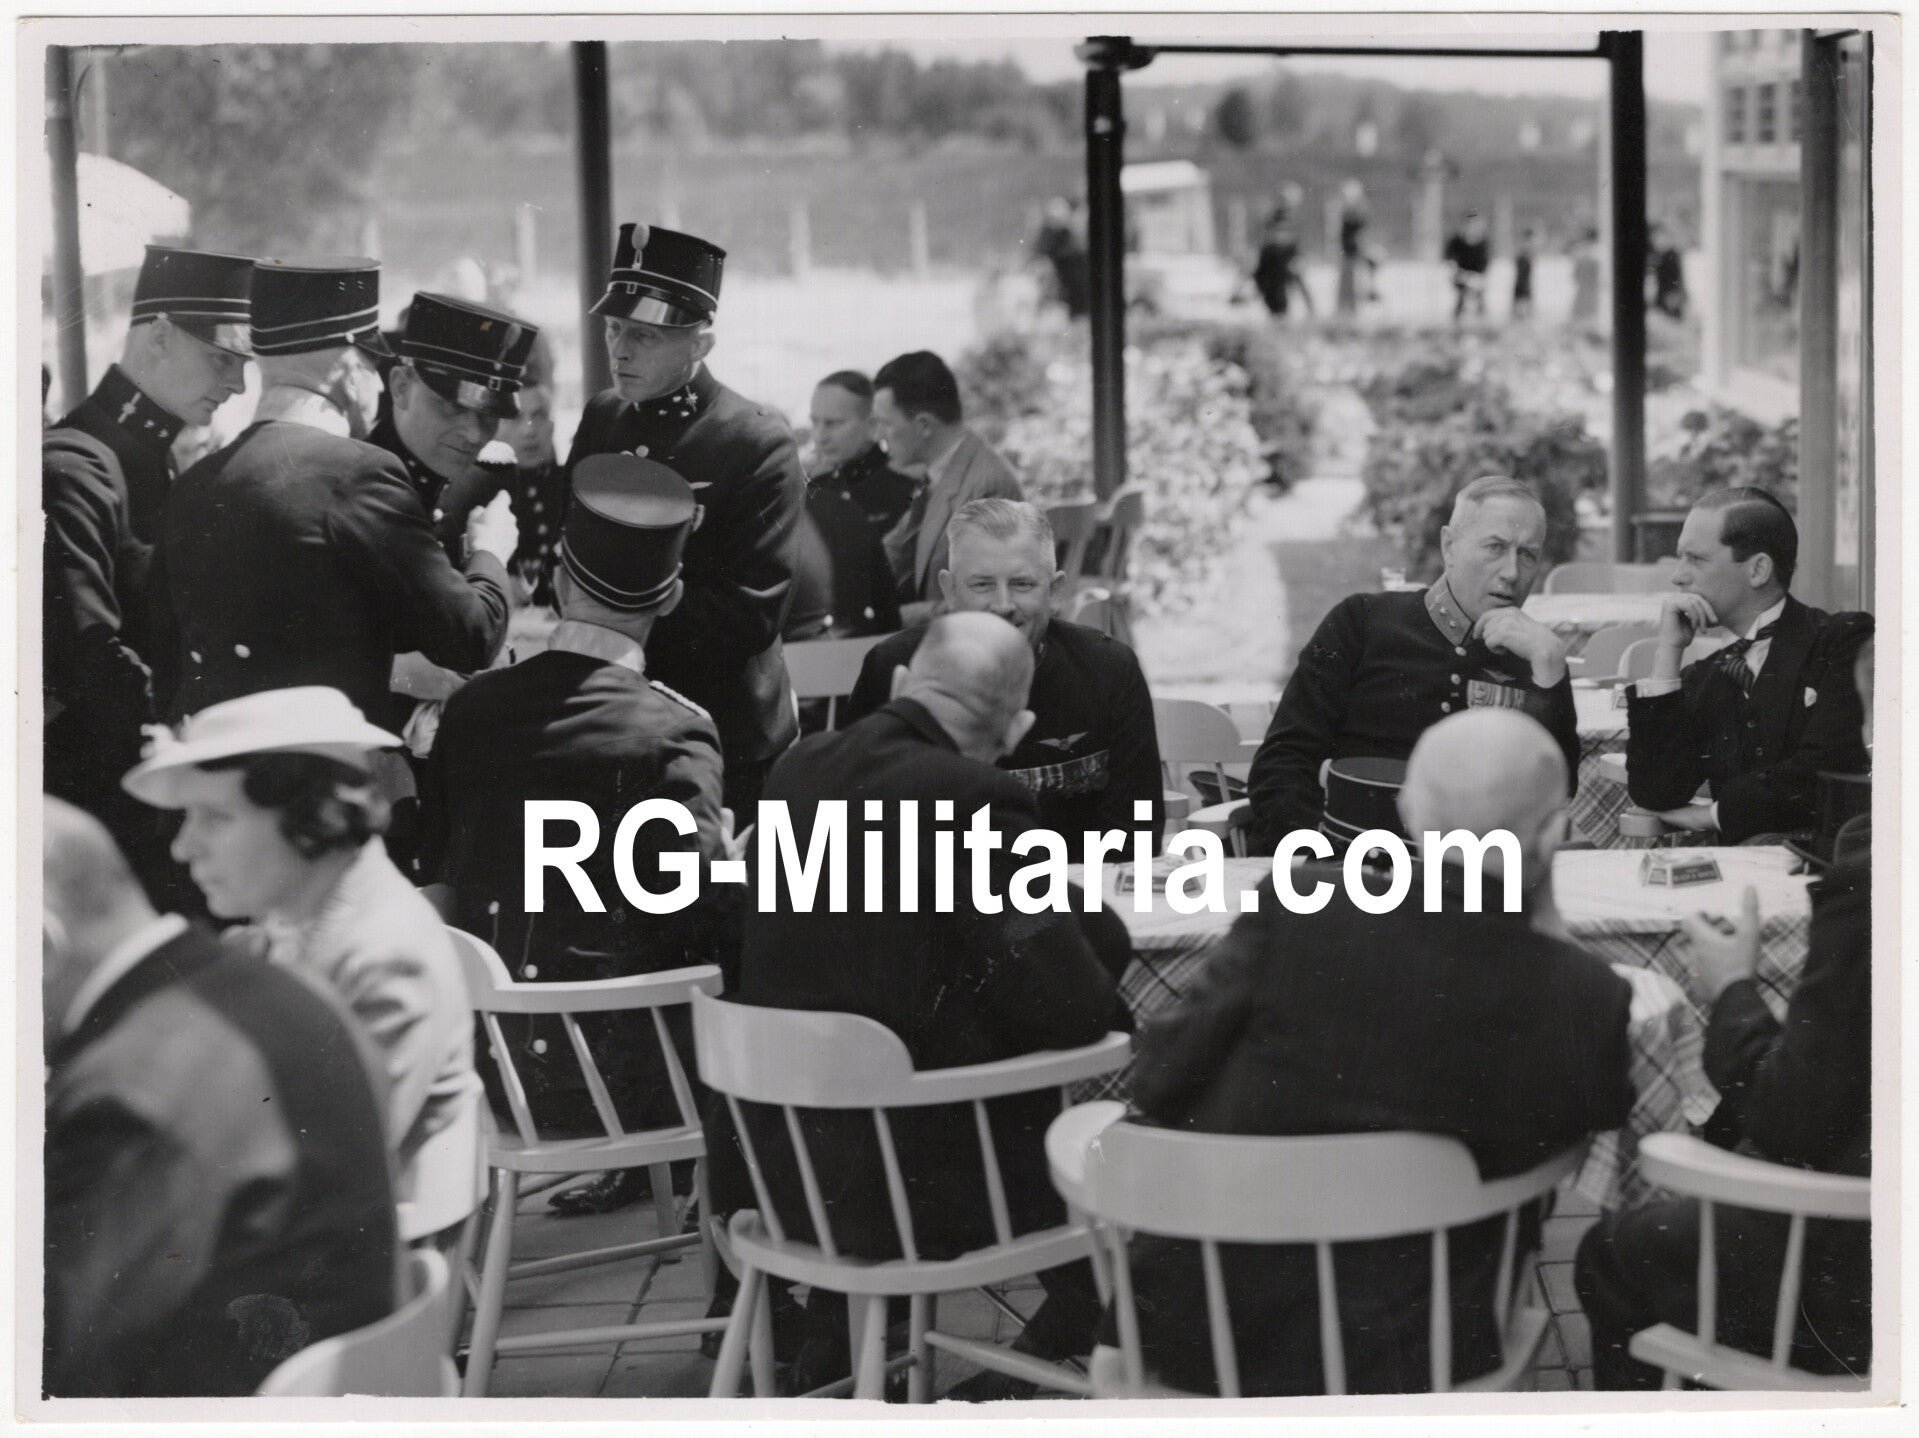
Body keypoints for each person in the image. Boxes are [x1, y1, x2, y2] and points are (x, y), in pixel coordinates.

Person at [1105, 710, 1634, 1395]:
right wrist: (1544, 917)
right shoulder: (1584, 995)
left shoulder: (1300, 903)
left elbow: (1157, 1078)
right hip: (1426, 1351)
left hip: (1206, 1337)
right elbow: (1578, 1129)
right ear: (1555, 835)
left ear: (1409, 813)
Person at [708, 612, 1134, 1395]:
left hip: (782, 1176)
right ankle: (1100, 1328)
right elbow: (1071, 1004)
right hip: (913, 1198)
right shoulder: (979, 795)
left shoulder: (799, 768)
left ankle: (851, 1348)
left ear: (903, 685)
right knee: (1100, 1097)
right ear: (1019, 727)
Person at [420, 456, 738, 1217]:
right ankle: (743, 1251)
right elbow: (697, 915)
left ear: (557, 581)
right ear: (672, 598)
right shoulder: (676, 730)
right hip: (636, 1085)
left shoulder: (471, 712)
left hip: (490, 1074)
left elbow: (442, 879)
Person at [1578, 640, 1873, 1387]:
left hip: (1864, 1264)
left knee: (1612, 1250)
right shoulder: (1711, 671)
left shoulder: (1876, 874)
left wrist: (1733, 989)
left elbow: (1793, 1120)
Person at [42, 798, 398, 1397]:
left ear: (41, 948)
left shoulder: (128, 1092)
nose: (185, 845)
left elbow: (58, 1363)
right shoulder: (273, 984)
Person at [121, 686, 482, 1214]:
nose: (183, 845)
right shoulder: (294, 922)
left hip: (331, 1270)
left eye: (215, 817)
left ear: (314, 815)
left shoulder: (380, 952)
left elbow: (321, 1167)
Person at [154, 258, 516, 727]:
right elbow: (471, 636)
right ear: (349, 363)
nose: (376, 380)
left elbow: (169, 656)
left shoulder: (194, 484)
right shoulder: (360, 473)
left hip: (223, 774)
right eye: (372, 361)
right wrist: (490, 551)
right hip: (326, 777)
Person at [559, 222, 807, 814]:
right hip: (612, 716)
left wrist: (641, 596)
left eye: (645, 336)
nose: (619, 350)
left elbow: (755, 614)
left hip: (722, 734)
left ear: (700, 344)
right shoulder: (603, 416)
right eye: (615, 329)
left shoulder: (755, 441)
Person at [44, 245, 254, 895]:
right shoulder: (73, 466)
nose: (238, 384)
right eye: (222, 358)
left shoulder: (153, 462)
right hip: (109, 813)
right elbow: (89, 653)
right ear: (159, 337)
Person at [1246, 476, 1580, 853]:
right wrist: (1309, 860)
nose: (1511, 573)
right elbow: (1283, 762)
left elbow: (1554, 796)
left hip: (1468, 887)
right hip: (1345, 868)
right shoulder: (1362, 623)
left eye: (1527, 554)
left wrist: (1551, 671)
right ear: (1449, 547)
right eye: (1495, 547)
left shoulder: (1535, 659)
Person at [846, 499, 1162, 851]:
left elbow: (1136, 831)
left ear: (1055, 590)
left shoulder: (1110, 670)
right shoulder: (894, 667)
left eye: (1022, 584)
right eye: (982, 585)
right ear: (949, 591)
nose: (1003, 604)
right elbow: (866, 828)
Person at [1625, 487, 1871, 844]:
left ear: (1757, 570)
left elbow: (1825, 767)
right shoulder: (1705, 675)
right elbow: (1655, 792)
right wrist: (1668, 652)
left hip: (1826, 872)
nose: (1677, 576)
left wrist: (1714, 815)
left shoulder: (1843, 640)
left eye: (1695, 559)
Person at [872, 350, 1023, 623]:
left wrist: (891, 617)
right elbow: (886, 555)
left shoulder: (987, 487)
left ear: (924, 425)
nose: (879, 436)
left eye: (885, 423)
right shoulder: (946, 472)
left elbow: (988, 604)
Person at [807, 370, 917, 535]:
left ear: (873, 426)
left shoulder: (908, 491)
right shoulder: (814, 490)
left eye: (832, 423)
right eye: (815, 422)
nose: (819, 437)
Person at [1252, 203, 1313, 321]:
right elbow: (1258, 274)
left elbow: (1299, 278)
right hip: (1272, 290)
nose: (1280, 235)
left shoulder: (1290, 250)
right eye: (1278, 230)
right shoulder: (1268, 252)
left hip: (1283, 290)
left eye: (1284, 231)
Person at [1445, 210, 1492, 323]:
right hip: (1460, 277)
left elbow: (1484, 265)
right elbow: (1450, 263)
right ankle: (1458, 319)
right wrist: (1459, 274)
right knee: (1462, 297)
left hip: (1476, 278)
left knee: (1478, 292)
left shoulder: (1483, 244)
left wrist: (1475, 277)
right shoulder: (1456, 242)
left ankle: (1481, 319)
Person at [1336, 180, 1373, 316]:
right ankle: (1346, 310)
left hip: (1354, 254)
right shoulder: (1348, 214)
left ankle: (1353, 310)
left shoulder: (1357, 215)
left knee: (1355, 283)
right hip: (1348, 254)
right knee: (1347, 283)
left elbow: (1360, 235)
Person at [1648, 221, 1688, 320]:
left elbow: (1678, 278)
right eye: (1654, 238)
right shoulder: (1660, 256)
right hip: (1665, 297)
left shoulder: (1672, 255)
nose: (1656, 241)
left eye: (1658, 237)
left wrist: (1676, 295)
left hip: (1671, 296)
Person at [1511, 225, 1537, 321]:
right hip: (1521, 287)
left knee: (1525, 314)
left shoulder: (1529, 253)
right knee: (1520, 314)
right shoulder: (1522, 254)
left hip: (1526, 287)